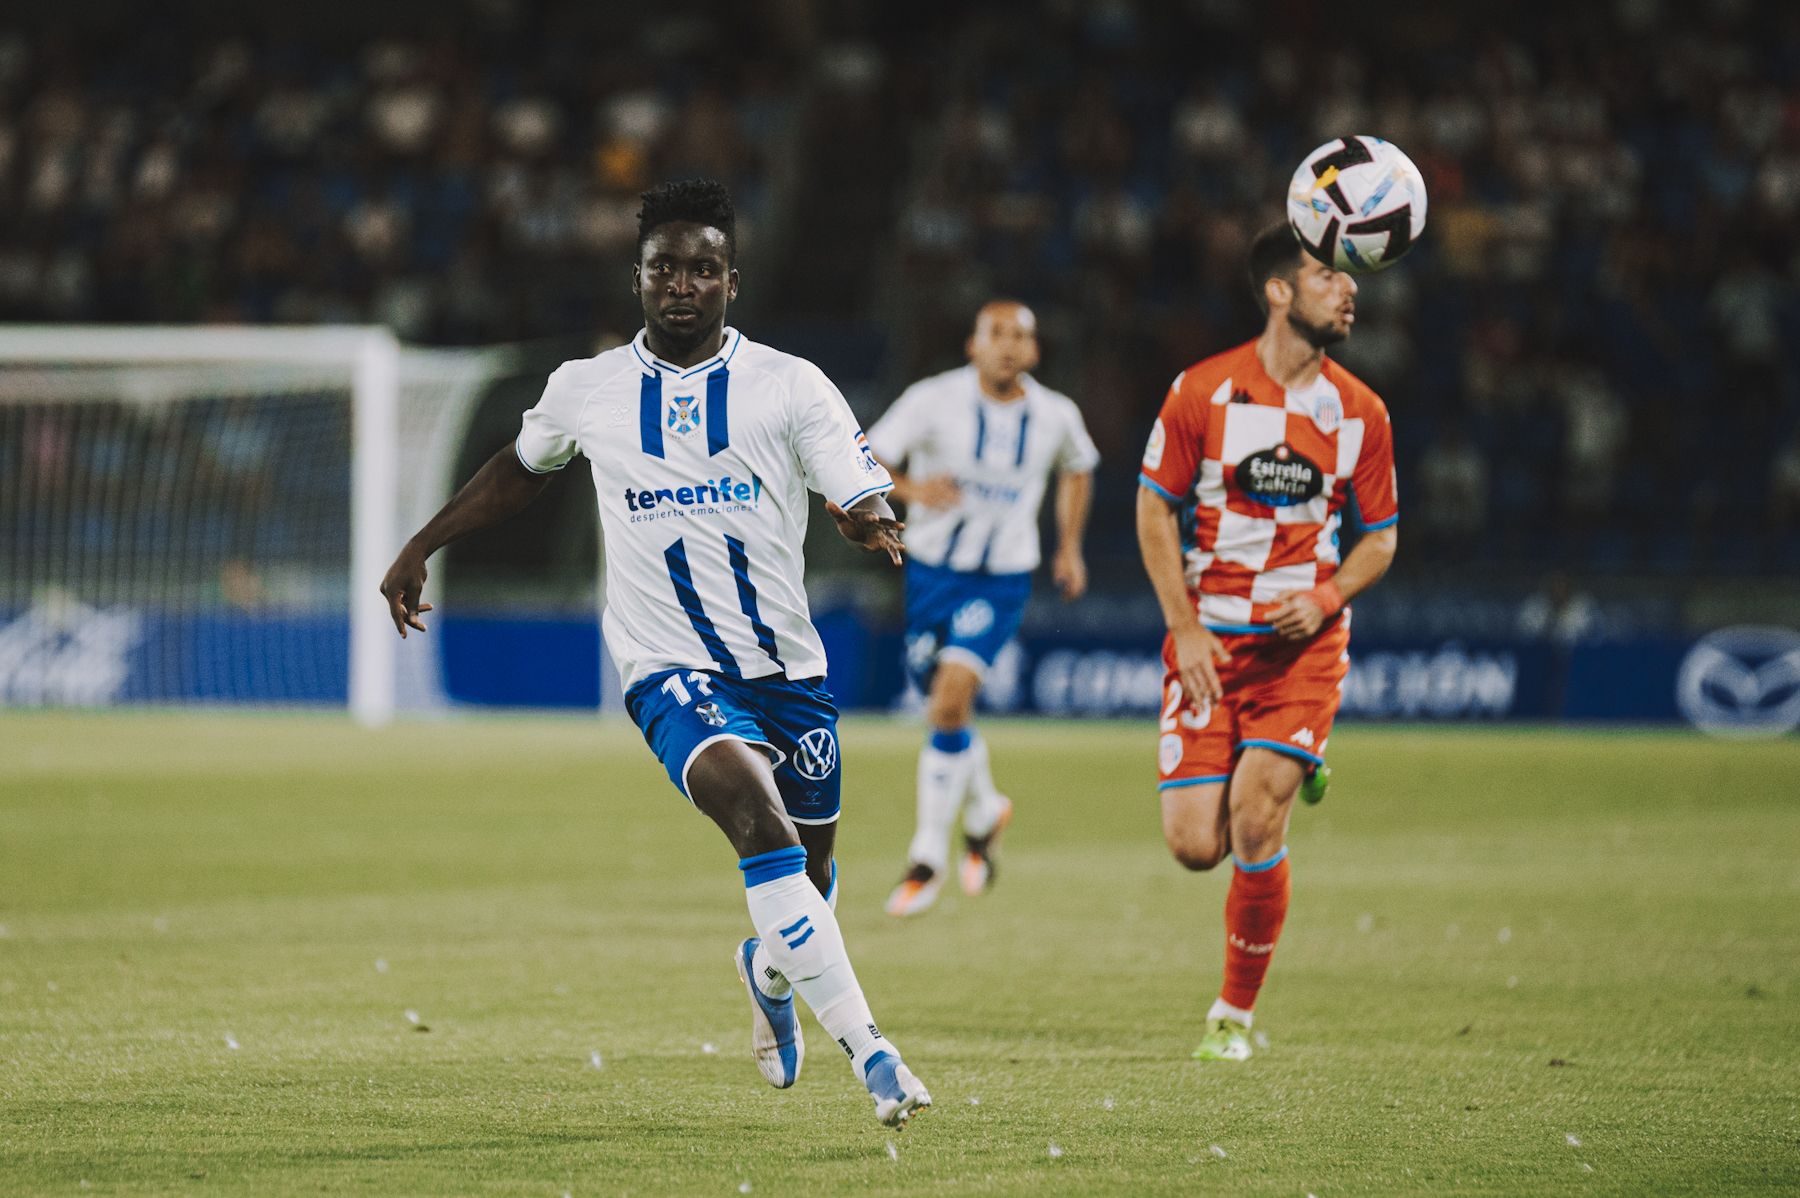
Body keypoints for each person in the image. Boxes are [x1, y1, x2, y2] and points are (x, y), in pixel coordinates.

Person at [379, 179, 932, 1127]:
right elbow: (520, 471)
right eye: (665, 268)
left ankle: (767, 969)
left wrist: (870, 518)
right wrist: (421, 542)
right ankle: (874, 1055)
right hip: (665, 669)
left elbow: (853, 483)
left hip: (788, 675)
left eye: (703, 269)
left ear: (731, 282)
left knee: (811, 876)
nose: (683, 284)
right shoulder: (585, 389)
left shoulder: (790, 384)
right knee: (762, 828)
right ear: (637, 278)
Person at [1134, 224, 1399, 1062]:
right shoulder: (1201, 393)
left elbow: (1381, 538)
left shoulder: (1360, 412)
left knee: (1254, 819)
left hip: (1301, 652)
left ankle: (1232, 1017)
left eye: (1350, 279)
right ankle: (1287, 765)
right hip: (1208, 643)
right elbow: (1151, 510)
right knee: (1193, 847)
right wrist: (1185, 629)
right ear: (1280, 291)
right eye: (1328, 275)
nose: (1349, 289)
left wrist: (1325, 597)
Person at [867, 301, 1098, 916]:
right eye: (996, 334)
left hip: (1001, 579)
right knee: (945, 709)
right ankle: (984, 808)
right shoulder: (932, 399)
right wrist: (913, 490)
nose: (1008, 345)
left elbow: (1078, 469)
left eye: (1021, 335)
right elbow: (867, 455)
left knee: (947, 700)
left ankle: (927, 855)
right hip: (931, 573)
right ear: (972, 344)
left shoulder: (1056, 415)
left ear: (1035, 351)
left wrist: (1069, 548)